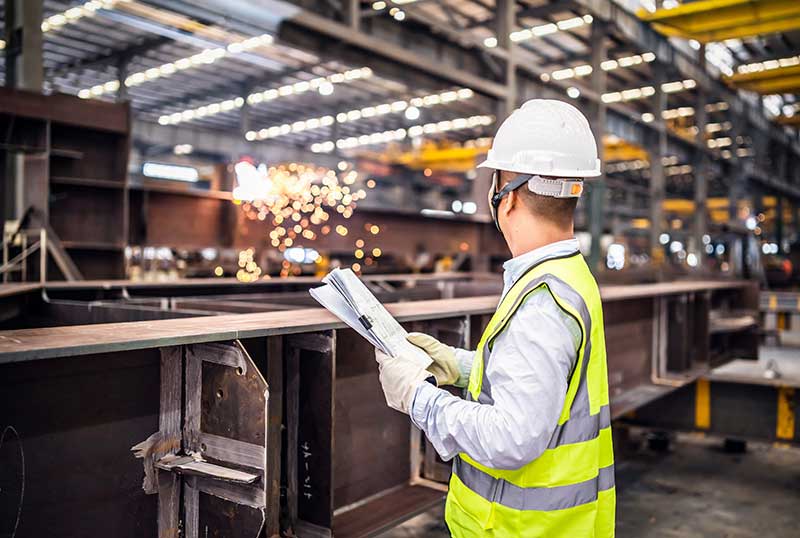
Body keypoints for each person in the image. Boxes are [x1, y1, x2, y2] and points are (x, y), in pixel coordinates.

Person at [375, 99, 615, 537]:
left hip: (517, 530)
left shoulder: (542, 300)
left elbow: (512, 439)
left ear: (506, 197)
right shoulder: (568, 277)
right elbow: (544, 382)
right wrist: (459, 364)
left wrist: (417, 397)